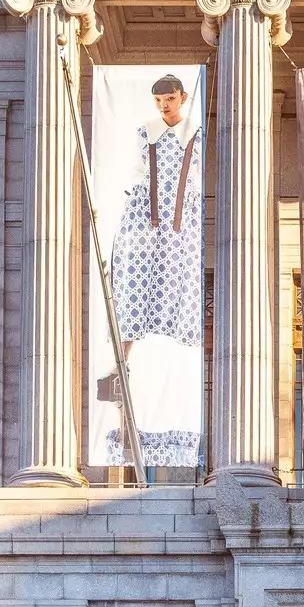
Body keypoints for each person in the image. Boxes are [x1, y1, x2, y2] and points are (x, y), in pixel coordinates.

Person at [99, 73, 204, 469]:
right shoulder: (146, 132)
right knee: (134, 284)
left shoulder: (195, 134)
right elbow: (135, 175)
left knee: (178, 285)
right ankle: (122, 358)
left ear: (183, 97)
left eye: (170, 99)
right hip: (146, 216)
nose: (164, 106)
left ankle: (175, 354)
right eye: (159, 100)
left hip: (182, 221)